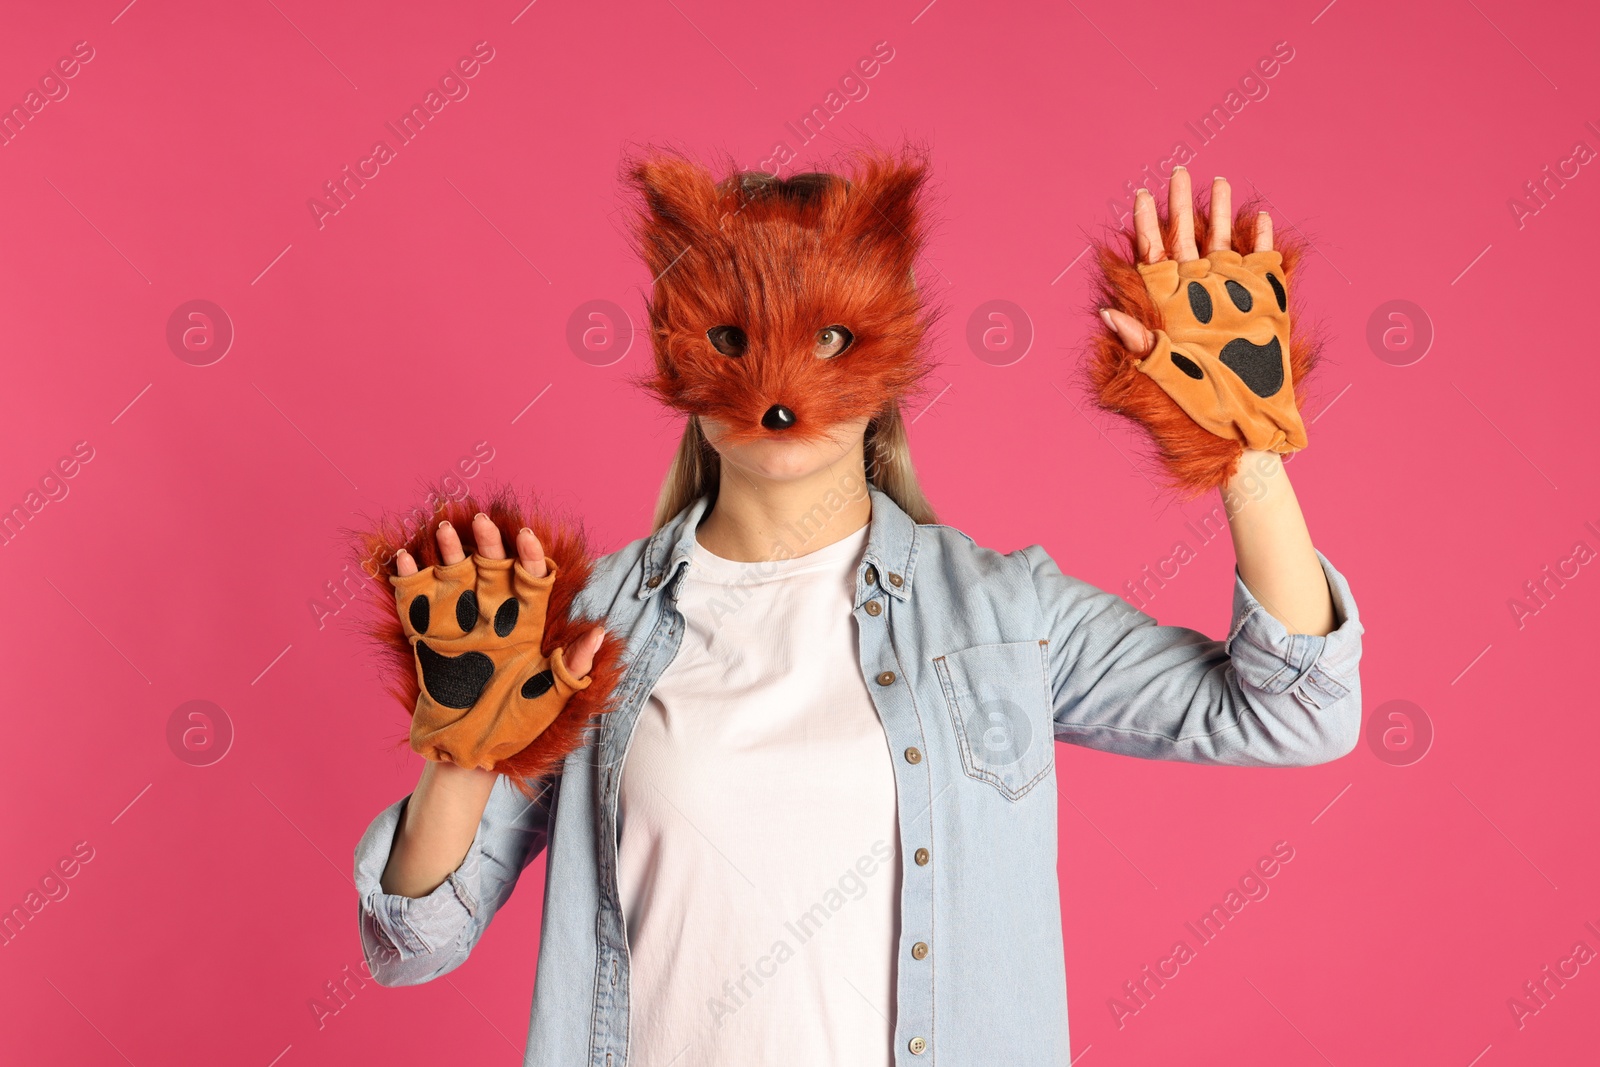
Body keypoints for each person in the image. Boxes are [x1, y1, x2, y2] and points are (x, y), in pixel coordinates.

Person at [352, 154, 1363, 1067]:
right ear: (675, 350)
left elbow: (1295, 712)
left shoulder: (1002, 617)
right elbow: (413, 941)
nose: (782, 388)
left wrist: (1243, 453)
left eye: (830, 336)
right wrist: (464, 749)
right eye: (733, 337)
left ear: (886, 354)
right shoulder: (583, 636)